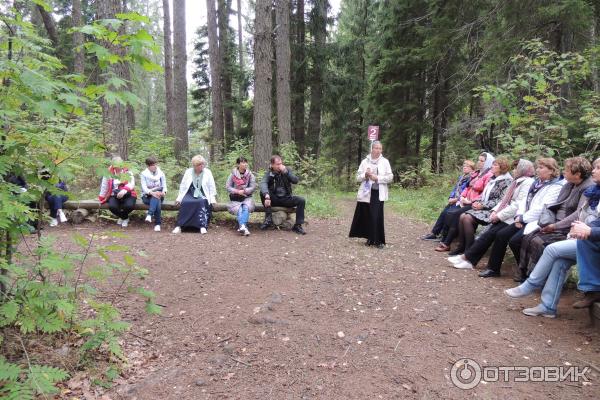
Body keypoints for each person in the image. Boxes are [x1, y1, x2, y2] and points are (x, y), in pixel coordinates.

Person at [504, 158, 600, 317]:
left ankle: (530, 284)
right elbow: (590, 216)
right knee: (560, 261)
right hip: (585, 238)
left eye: (597, 168)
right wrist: (582, 228)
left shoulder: (589, 188)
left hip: (590, 240)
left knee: (551, 249)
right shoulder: (593, 190)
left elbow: (584, 217)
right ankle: (548, 306)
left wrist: (588, 230)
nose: (594, 171)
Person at [450, 158, 563, 277]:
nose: (538, 170)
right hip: (516, 215)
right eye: (538, 167)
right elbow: (519, 202)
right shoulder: (534, 183)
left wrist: (518, 217)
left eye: (541, 168)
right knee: (491, 230)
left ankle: (482, 263)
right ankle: (471, 259)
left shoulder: (540, 184)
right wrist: (497, 212)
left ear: (551, 171)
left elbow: (537, 208)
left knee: (500, 234)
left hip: (530, 219)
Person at [515, 157, 593, 278]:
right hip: (555, 221)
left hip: (568, 227)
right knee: (528, 236)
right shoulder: (569, 184)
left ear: (577, 174)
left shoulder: (588, 188)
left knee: (539, 241)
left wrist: (555, 226)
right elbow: (557, 204)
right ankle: (524, 273)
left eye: (567, 170)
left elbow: (579, 213)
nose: (563, 172)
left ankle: (537, 276)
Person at [450, 157, 513, 255]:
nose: (492, 166)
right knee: (462, 216)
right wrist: (476, 202)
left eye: (495, 165)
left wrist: (482, 205)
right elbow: (484, 195)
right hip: (483, 207)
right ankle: (461, 246)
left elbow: (501, 201)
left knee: (467, 218)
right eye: (493, 164)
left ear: (502, 168)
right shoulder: (493, 178)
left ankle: (469, 250)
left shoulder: (507, 181)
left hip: (493, 211)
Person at [435, 152, 495, 252]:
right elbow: (467, 187)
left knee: (456, 214)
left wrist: (470, 201)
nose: (479, 162)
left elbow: (485, 193)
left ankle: (448, 243)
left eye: (482, 161)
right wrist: (462, 197)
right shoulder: (477, 173)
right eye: (478, 160)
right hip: (465, 200)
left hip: (476, 203)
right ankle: (447, 240)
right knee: (451, 212)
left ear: (488, 162)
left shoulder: (489, 175)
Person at [349, 141, 394, 248]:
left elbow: (390, 177)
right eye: (376, 148)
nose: (378, 150)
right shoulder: (365, 161)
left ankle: (378, 241)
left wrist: (377, 178)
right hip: (366, 192)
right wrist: (365, 175)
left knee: (376, 216)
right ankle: (370, 238)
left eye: (380, 148)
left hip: (378, 193)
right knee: (368, 216)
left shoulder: (385, 162)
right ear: (372, 149)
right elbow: (357, 177)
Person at [421, 160, 475, 241]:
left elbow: (466, 192)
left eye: (467, 166)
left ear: (472, 169)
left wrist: (456, 199)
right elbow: (455, 189)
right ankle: (434, 233)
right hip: (454, 200)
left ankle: (444, 235)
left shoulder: (471, 179)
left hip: (461, 201)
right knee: (443, 212)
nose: (464, 167)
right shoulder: (461, 177)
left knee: (448, 213)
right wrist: (450, 197)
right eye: (464, 165)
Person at [259, 155, 307, 235]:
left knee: (301, 200)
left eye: (281, 163)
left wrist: (286, 172)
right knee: (263, 193)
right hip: (274, 199)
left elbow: (295, 180)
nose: (280, 166)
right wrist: (266, 195)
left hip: (286, 199)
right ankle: (268, 219)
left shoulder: (286, 170)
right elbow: (263, 183)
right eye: (277, 164)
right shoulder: (269, 173)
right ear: (272, 165)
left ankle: (297, 225)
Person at [172, 155, 217, 234]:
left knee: (200, 202)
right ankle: (179, 226)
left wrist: (212, 198)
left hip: (203, 193)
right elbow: (183, 185)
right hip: (190, 192)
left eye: (203, 164)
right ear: (194, 165)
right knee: (185, 202)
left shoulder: (207, 172)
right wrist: (179, 198)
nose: (201, 166)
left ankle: (202, 226)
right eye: (199, 164)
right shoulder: (188, 171)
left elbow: (211, 186)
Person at [99, 156, 137, 227]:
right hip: (114, 194)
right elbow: (104, 186)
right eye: (116, 165)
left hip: (128, 193)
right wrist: (101, 197)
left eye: (120, 165)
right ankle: (125, 218)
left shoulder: (128, 171)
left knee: (129, 206)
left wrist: (124, 190)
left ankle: (122, 217)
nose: (119, 167)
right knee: (112, 207)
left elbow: (131, 183)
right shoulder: (108, 173)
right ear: (113, 165)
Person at [226, 156, 257, 236]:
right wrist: (237, 191)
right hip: (235, 198)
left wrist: (245, 191)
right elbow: (228, 187)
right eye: (243, 162)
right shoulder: (232, 175)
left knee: (245, 207)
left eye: (246, 162)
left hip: (247, 197)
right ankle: (243, 226)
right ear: (238, 164)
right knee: (239, 209)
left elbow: (253, 187)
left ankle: (242, 226)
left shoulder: (250, 175)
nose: (245, 164)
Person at [140, 156, 167, 232]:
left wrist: (164, 192)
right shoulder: (143, 174)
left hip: (159, 194)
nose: (155, 166)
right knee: (157, 201)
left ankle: (149, 214)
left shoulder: (161, 173)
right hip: (147, 196)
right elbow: (144, 188)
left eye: (156, 164)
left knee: (157, 197)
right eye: (153, 165)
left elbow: (164, 186)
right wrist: (152, 193)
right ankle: (157, 224)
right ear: (148, 166)